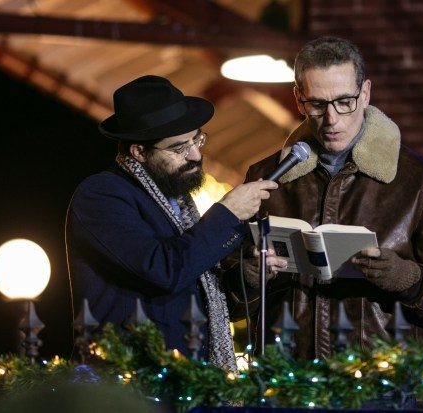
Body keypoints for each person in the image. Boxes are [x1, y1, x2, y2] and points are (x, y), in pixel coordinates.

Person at [235, 36, 423, 359]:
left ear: (365, 94)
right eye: (317, 105)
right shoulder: (266, 179)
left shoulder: (420, 181)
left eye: (344, 102)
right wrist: (248, 277)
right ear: (298, 100)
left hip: (378, 384)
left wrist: (410, 279)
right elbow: (221, 297)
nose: (332, 119)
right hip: (286, 383)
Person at [65, 75, 278, 372]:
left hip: (188, 381)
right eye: (179, 148)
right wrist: (227, 213)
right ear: (139, 152)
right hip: (133, 385)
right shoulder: (102, 195)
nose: (196, 155)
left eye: (197, 139)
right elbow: (163, 270)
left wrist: (248, 278)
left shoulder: (180, 202)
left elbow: (201, 299)